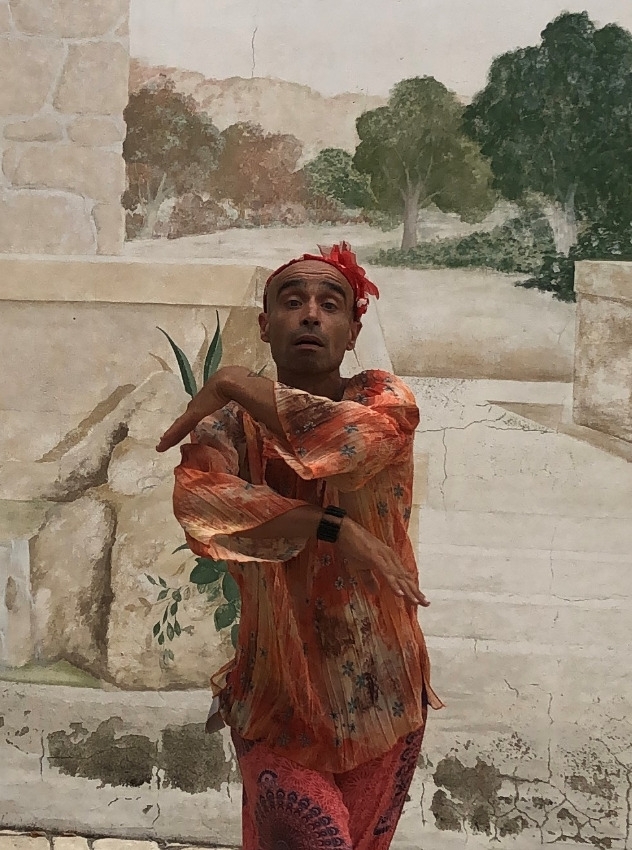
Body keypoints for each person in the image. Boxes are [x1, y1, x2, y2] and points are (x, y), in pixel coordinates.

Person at [155, 243, 438, 850]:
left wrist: (232, 380)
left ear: (353, 331)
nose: (310, 313)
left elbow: (346, 444)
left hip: (381, 694)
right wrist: (327, 525)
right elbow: (200, 505)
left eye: (330, 304)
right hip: (275, 695)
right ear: (266, 324)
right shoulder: (229, 428)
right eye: (292, 301)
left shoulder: (384, 401)